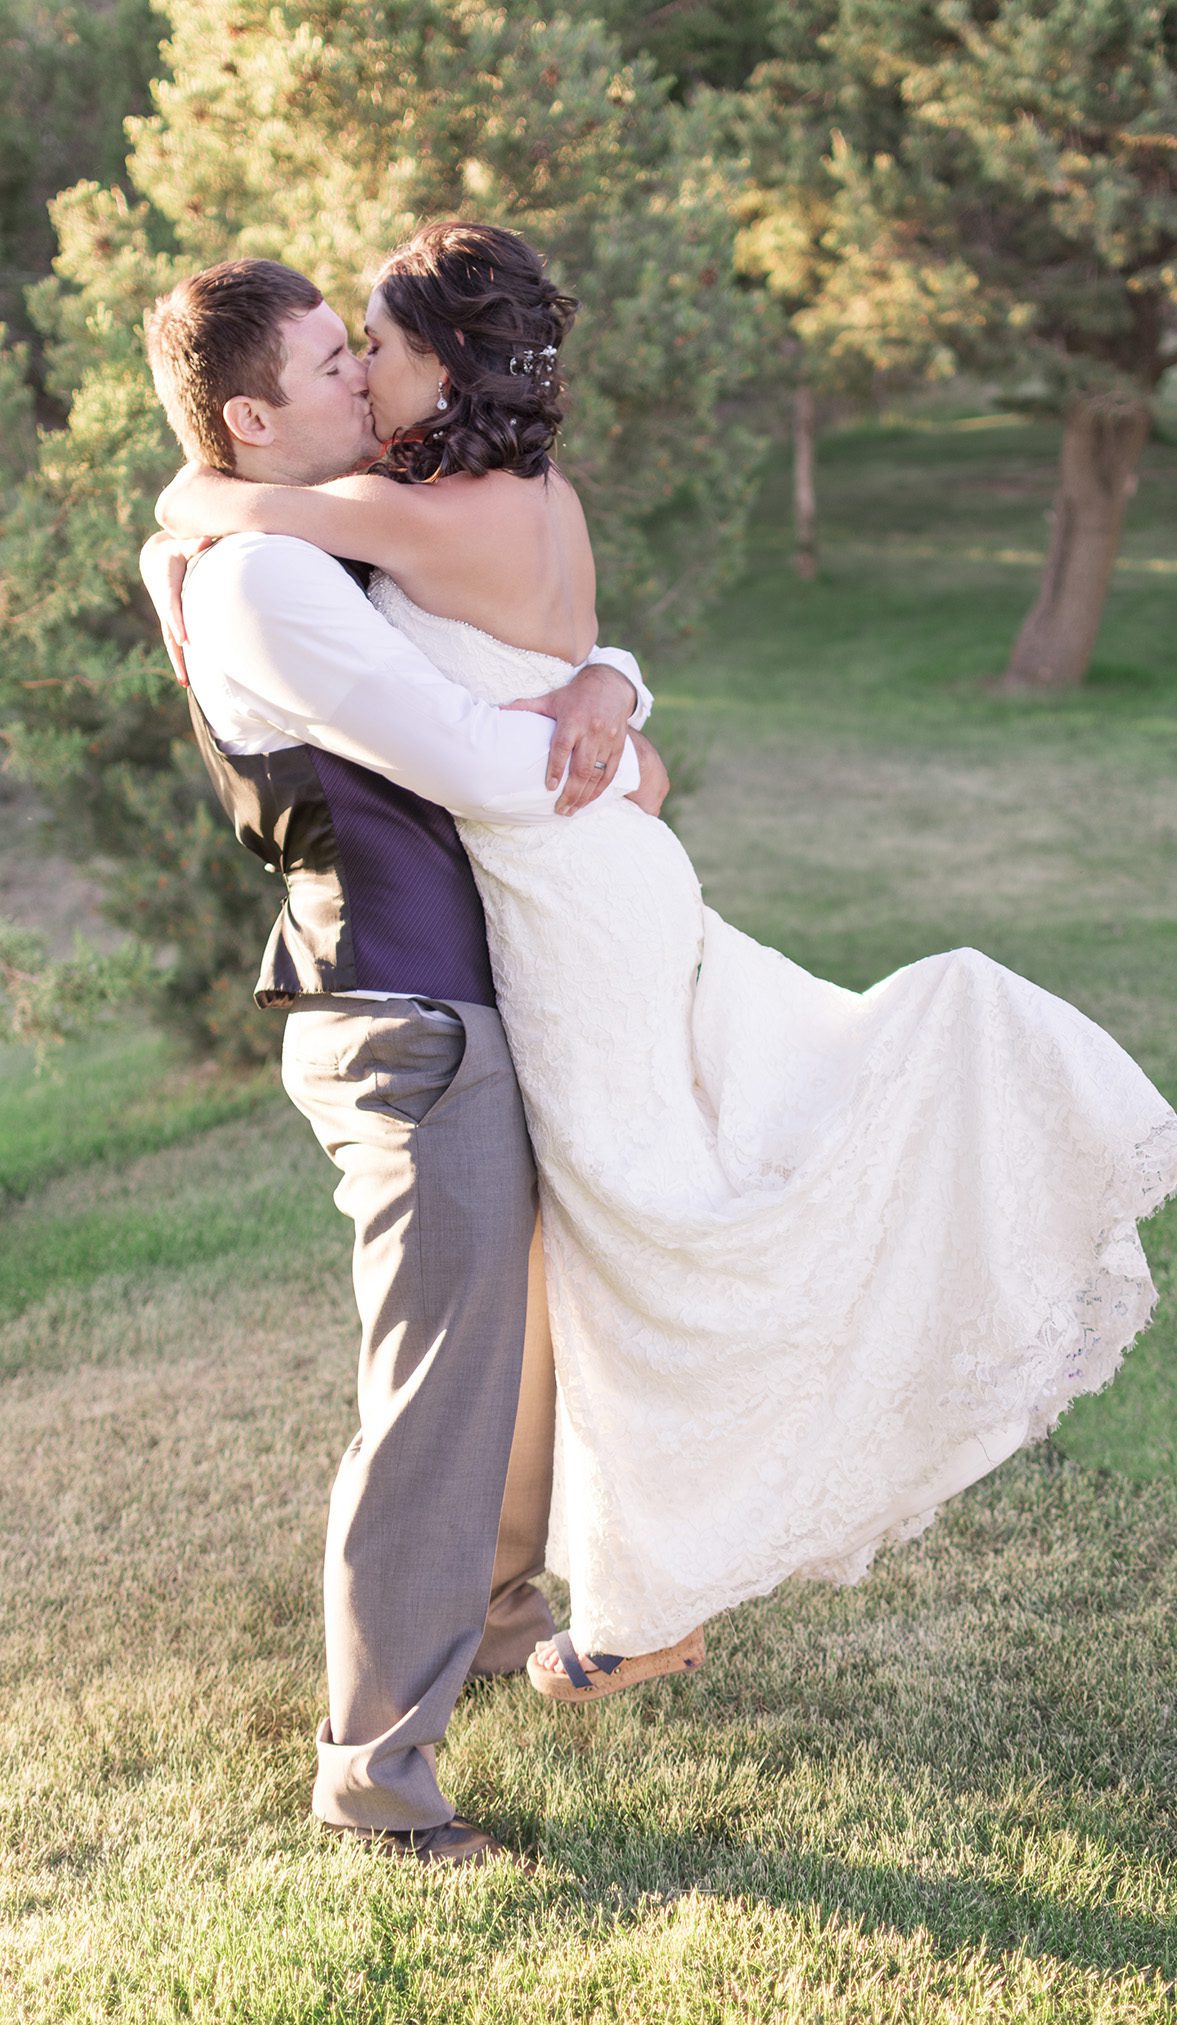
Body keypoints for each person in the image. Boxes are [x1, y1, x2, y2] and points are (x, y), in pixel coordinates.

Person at [154, 219, 1177, 1712]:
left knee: (644, 1232)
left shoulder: (395, 517)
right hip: (591, 879)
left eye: (372, 347)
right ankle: (633, 1581)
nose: (361, 371)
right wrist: (614, 693)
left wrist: (612, 730)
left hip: (572, 890)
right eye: (342, 355)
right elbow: (564, 645)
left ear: (441, 365)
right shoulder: (490, 491)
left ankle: (659, 1591)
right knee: (641, 1218)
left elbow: (204, 499)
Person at [142, 254, 668, 1867]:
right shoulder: (263, 582)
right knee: (434, 1396)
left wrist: (604, 677)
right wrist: (623, 764)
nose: (360, 385)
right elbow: (462, 756)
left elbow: (498, 652)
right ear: (250, 416)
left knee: (510, 1348)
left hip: (454, 998)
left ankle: (497, 1605)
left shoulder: (315, 535)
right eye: (325, 366)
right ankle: (375, 1776)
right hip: (407, 1015)